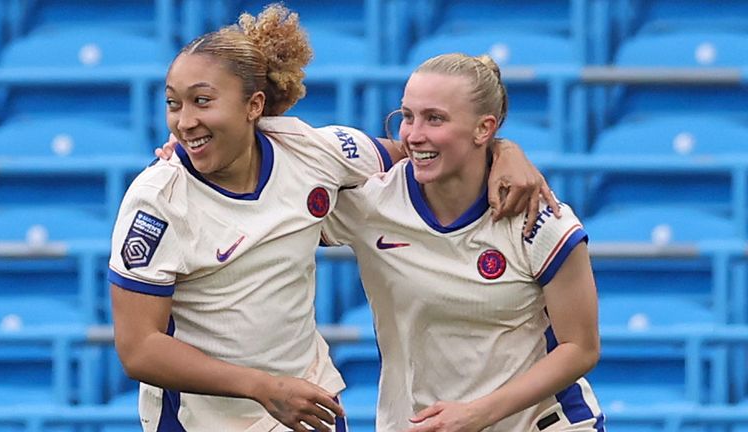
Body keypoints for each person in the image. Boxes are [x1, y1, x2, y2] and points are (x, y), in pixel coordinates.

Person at [110, 4, 556, 432]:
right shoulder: (157, 203)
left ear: (254, 105)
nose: (184, 122)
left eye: (202, 101)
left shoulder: (313, 153)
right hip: (203, 420)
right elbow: (138, 350)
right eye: (174, 104)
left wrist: (505, 151)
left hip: (307, 404)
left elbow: (423, 151)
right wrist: (263, 387)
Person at [320, 53, 604, 431]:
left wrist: (477, 414)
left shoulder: (539, 219)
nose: (414, 134)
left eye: (434, 118)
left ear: (484, 128)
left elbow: (580, 348)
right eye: (407, 116)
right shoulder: (373, 202)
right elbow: (278, 206)